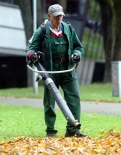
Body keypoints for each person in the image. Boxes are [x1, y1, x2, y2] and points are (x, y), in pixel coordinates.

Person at [26, 4, 87, 138]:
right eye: (56, 16)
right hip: (50, 72)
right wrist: (32, 55)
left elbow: (79, 47)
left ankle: (73, 130)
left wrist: (77, 55)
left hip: (68, 70)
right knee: (50, 102)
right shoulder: (41, 31)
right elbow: (30, 49)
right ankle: (50, 131)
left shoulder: (69, 29)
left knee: (74, 98)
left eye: (61, 16)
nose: (59, 19)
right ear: (49, 16)